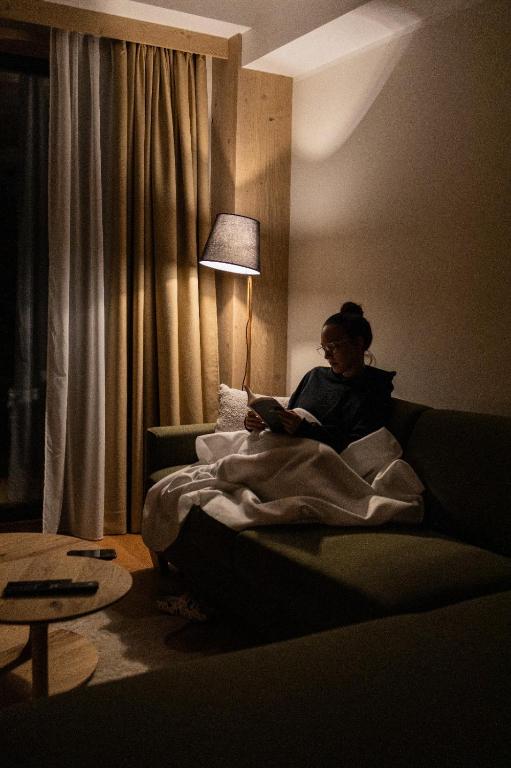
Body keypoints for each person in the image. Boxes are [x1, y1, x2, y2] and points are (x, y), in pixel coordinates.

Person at [244, 302, 395, 453]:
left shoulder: (376, 388)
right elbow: (288, 417)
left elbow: (359, 447)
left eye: (332, 347)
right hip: (286, 446)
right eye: (324, 347)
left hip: (319, 457)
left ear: (358, 343)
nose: (326, 356)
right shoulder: (315, 376)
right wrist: (259, 423)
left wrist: (304, 429)